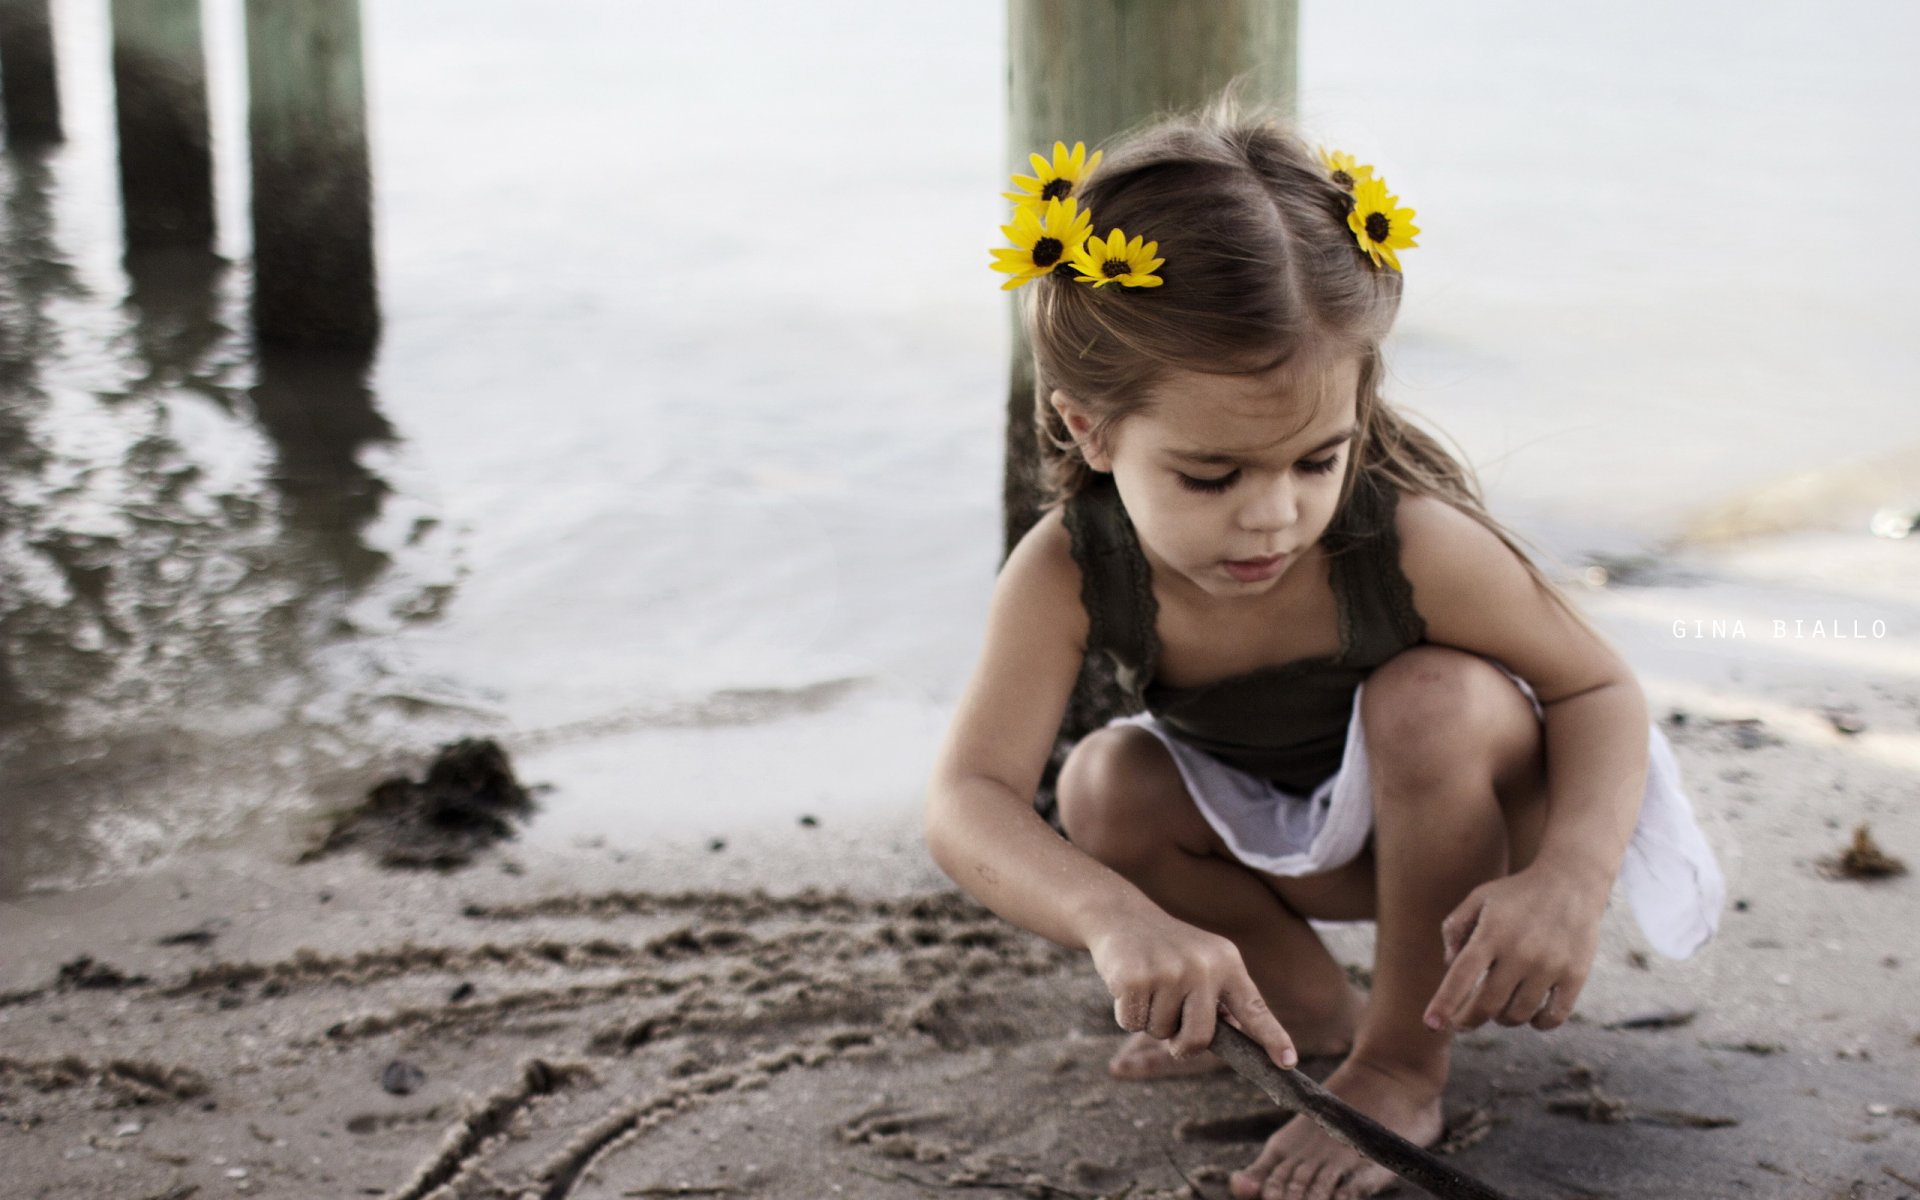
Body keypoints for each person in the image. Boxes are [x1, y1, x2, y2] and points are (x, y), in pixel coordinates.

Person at [925, 100, 1724, 1200]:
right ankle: (1308, 1013)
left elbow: (1597, 687)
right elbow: (968, 798)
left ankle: (1401, 1064)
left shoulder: (1410, 544)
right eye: (1212, 476)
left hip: (1488, 820)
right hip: (1302, 837)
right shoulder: (1069, 568)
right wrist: (1120, 920)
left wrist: (1571, 879)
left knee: (1428, 698)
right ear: (1088, 429)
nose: (1274, 517)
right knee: (1104, 783)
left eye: (1317, 461)